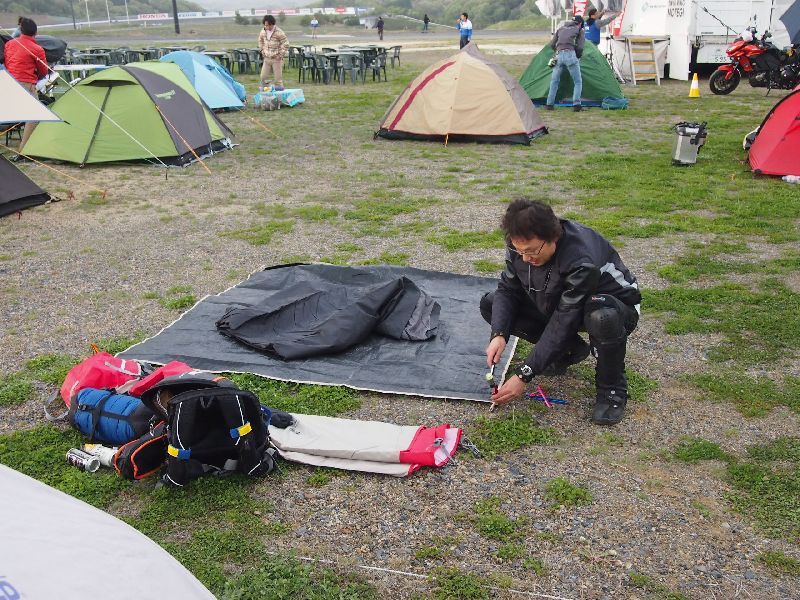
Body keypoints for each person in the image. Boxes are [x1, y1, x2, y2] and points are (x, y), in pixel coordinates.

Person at [481, 199, 641, 426]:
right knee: (491, 304)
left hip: (615, 307)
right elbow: (508, 290)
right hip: (561, 302)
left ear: (553, 238)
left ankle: (612, 389)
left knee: (601, 317)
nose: (525, 258)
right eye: (519, 251)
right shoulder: (521, 243)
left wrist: (524, 374)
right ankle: (567, 351)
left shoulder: (581, 260)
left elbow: (565, 319)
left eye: (531, 251)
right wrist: (499, 334)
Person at [4, 17, 48, 155]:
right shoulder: (37, 49)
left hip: (9, 82)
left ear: (21, 30)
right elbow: (44, 71)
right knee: (35, 116)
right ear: (35, 33)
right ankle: (24, 150)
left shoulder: (9, 44)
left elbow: (8, 63)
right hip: (26, 84)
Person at [545, 15, 585, 112]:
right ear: (580, 24)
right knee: (578, 81)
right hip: (570, 55)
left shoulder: (561, 28)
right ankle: (576, 105)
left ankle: (549, 104)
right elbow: (580, 47)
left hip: (558, 55)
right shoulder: (579, 30)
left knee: (554, 81)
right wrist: (577, 56)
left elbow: (552, 44)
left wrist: (558, 50)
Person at [258, 14, 289, 90]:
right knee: (263, 77)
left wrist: (280, 55)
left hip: (276, 59)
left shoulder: (279, 32)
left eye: (269, 25)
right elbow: (260, 40)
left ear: (273, 24)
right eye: (266, 25)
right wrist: (262, 50)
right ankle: (266, 94)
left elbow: (286, 44)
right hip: (267, 59)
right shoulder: (263, 31)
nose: (268, 27)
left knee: (278, 80)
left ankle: (280, 95)